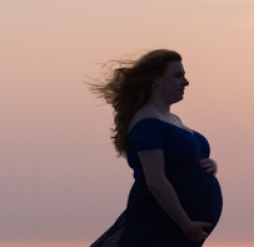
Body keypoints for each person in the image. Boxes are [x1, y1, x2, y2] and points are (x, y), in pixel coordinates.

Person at [90, 49, 223, 247]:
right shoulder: (147, 123)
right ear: (155, 79)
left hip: (177, 229)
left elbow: (180, 163)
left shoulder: (172, 119)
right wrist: (185, 224)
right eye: (177, 76)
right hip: (161, 224)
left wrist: (210, 165)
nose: (185, 82)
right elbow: (155, 180)